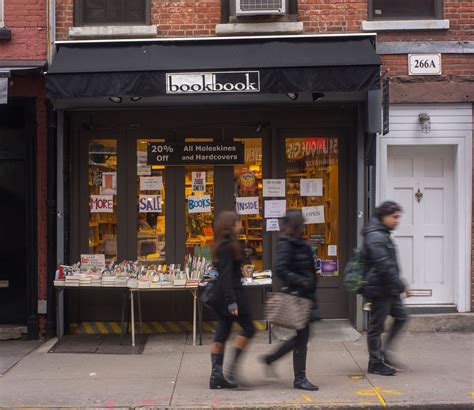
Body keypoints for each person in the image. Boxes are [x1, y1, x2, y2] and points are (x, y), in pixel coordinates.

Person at [261, 209, 319, 391]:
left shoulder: (298, 241)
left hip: (306, 295)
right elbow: (280, 268)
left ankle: (272, 359)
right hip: (298, 296)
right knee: (303, 337)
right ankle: (299, 378)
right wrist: (302, 280)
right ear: (296, 224)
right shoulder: (288, 244)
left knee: (303, 336)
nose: (304, 224)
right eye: (301, 222)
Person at [362, 201, 410, 376]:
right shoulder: (376, 236)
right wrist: (401, 285)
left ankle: (383, 353)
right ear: (384, 216)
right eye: (395, 217)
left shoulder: (382, 233)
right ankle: (375, 362)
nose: (397, 221)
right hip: (380, 288)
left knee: (402, 316)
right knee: (376, 327)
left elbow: (388, 265)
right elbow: (384, 265)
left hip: (388, 287)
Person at [209, 211, 256, 389]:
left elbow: (222, 274)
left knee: (222, 332)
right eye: (238, 222)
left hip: (220, 296)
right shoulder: (228, 246)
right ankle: (230, 371)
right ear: (231, 224)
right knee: (249, 329)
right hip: (232, 295)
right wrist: (232, 302)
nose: (241, 225)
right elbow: (227, 276)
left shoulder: (220, 244)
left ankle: (216, 376)